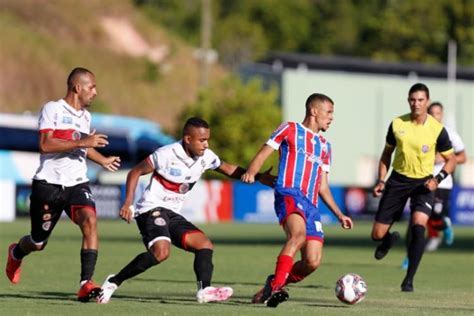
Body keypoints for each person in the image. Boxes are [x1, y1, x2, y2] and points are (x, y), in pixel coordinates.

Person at [98, 117, 274, 304]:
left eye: (207, 139)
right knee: (161, 252)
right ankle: (113, 281)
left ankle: (204, 290)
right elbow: (135, 172)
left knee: (204, 244)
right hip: (150, 208)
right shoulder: (166, 154)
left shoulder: (206, 156)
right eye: (202, 140)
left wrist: (258, 176)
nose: (206, 144)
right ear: (188, 139)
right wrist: (128, 202)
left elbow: (228, 169)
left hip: (172, 213)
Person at [5, 67, 121, 302]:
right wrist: (83, 141)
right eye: (92, 87)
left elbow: (84, 146)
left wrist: (102, 159)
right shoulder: (52, 109)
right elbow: (46, 145)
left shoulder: (85, 118)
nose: (95, 92)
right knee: (38, 243)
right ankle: (16, 252)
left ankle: (85, 283)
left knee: (90, 221)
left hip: (77, 183)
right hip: (48, 184)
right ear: (78, 88)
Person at [241, 93, 353, 308]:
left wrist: (339, 214)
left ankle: (274, 283)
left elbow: (323, 186)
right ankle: (276, 290)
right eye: (329, 112)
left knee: (312, 262)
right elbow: (265, 152)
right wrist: (251, 172)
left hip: (311, 205)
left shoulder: (325, 146)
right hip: (289, 193)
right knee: (297, 236)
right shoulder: (290, 129)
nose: (332, 118)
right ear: (314, 111)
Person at [372, 83, 456, 292]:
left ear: (427, 101)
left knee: (419, 227)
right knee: (377, 234)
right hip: (398, 181)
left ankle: (409, 280)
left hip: (424, 184)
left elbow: (451, 159)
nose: (416, 103)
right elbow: (386, 154)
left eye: (420, 100)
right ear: (408, 100)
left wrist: (437, 179)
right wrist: (382, 180)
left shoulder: (437, 129)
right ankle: (388, 239)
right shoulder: (397, 123)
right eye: (412, 99)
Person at [400, 102, 467, 269]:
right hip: (420, 180)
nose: (434, 116)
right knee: (415, 221)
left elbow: (463, 158)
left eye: (437, 113)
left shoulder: (450, 134)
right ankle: (410, 257)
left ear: (441, 115)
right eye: (431, 113)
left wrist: (444, 159)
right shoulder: (419, 131)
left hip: (442, 182)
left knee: (434, 217)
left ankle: (444, 224)